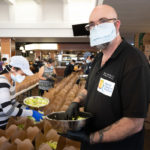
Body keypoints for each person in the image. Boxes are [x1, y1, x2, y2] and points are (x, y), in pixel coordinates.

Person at [60, 4, 150, 150]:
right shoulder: (99, 58)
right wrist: (76, 102)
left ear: (117, 24)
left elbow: (134, 122)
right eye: (92, 25)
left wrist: (91, 138)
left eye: (102, 22)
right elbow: (89, 89)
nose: (96, 28)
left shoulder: (134, 62)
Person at [0, 56, 43, 129]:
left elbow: (13, 102)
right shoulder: (2, 83)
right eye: (22, 74)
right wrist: (31, 113)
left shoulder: (12, 81)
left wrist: (24, 108)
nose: (23, 77)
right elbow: (8, 110)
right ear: (13, 69)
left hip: (7, 121)